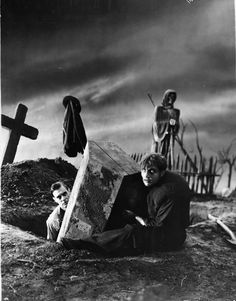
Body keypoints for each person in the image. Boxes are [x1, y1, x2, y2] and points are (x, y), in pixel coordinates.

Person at [61, 153, 192, 255]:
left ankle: (80, 245)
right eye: (144, 170)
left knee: (131, 232)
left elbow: (157, 226)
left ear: (162, 172)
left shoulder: (169, 191)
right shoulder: (158, 183)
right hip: (161, 225)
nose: (146, 175)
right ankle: (98, 238)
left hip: (169, 238)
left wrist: (136, 217)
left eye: (152, 171)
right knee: (124, 217)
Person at [151, 89, 180, 160]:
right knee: (156, 153)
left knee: (166, 153)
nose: (171, 99)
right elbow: (156, 121)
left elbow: (176, 123)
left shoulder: (175, 111)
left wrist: (173, 124)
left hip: (169, 135)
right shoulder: (159, 109)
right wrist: (168, 122)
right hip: (160, 134)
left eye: (173, 98)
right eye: (170, 97)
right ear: (166, 97)